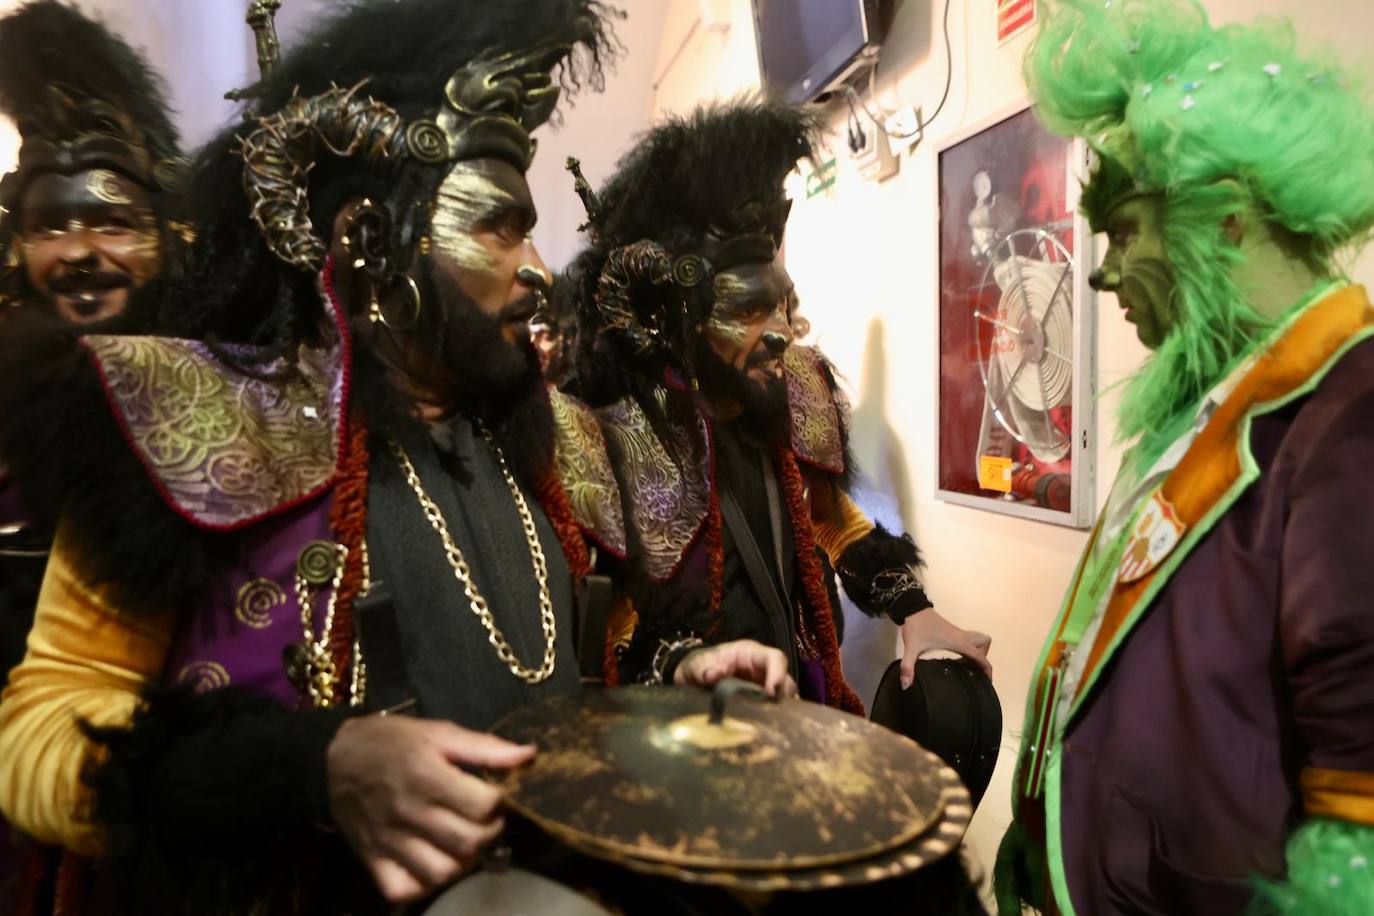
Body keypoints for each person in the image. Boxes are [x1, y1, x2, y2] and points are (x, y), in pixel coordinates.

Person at [0, 2, 788, 911]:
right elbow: (38, 731)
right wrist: (313, 767)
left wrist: (675, 669)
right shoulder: (192, 413)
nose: (538, 266)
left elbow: (575, 664)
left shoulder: (548, 437)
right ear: (371, 237)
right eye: (500, 226)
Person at [996, 1, 1374, 913]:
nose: (1100, 272)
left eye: (1125, 229)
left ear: (1229, 220)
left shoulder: (1350, 419)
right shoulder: (1203, 406)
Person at [562, 99, 991, 710]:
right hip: (686, 731)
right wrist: (683, 668)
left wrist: (913, 609)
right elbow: (608, 626)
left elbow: (832, 519)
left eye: (782, 305)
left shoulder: (792, 391)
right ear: (679, 318)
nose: (781, 333)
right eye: (747, 310)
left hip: (799, 705)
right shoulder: (618, 433)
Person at [0, 3, 189, 906]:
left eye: (113, 222)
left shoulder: (215, 409)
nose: (78, 252)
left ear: (169, 237)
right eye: (50, 227)